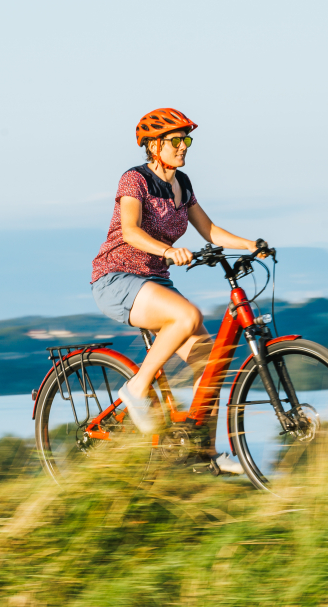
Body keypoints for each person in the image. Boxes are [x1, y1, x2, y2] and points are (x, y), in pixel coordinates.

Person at [90, 108, 264, 475]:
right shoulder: (133, 180)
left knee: (212, 365)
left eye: (186, 140)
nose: (183, 147)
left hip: (155, 283)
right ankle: (136, 389)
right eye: (175, 141)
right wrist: (168, 250)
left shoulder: (182, 183)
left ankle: (205, 455)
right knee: (187, 316)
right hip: (117, 278)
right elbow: (132, 231)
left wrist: (251, 244)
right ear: (154, 146)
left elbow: (210, 230)